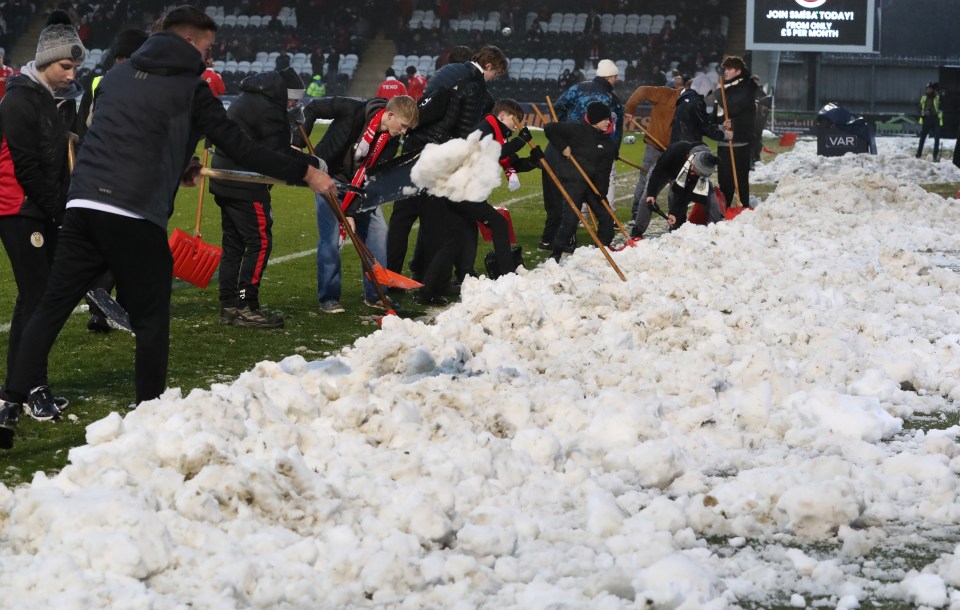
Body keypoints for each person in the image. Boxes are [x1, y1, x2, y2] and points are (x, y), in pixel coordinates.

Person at [0, 6, 336, 443]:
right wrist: (308, 172)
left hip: (82, 207)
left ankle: (8, 407)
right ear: (190, 41)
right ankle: (149, 420)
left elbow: (128, 138)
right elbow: (240, 147)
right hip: (133, 214)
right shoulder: (191, 89)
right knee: (152, 322)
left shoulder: (117, 77)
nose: (212, 59)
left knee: (49, 309)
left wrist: (180, 164)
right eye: (209, 48)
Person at [0, 24, 85, 426]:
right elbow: (28, 168)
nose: (72, 74)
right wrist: (59, 211)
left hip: (42, 207)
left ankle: (25, 386)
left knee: (37, 298)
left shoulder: (49, 97)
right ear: (48, 60)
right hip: (20, 210)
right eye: (66, 66)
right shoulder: (19, 100)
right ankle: (28, 389)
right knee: (37, 299)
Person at [387, 46, 506, 303]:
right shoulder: (476, 90)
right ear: (488, 66)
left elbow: (424, 110)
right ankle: (428, 284)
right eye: (495, 73)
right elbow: (464, 132)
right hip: (436, 160)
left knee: (402, 218)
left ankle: (391, 278)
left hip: (413, 152)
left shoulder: (448, 74)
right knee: (435, 225)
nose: (494, 79)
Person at [298, 94, 418, 313]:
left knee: (379, 232)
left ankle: (375, 294)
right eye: (403, 126)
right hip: (329, 178)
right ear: (390, 115)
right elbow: (313, 107)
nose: (404, 132)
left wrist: (351, 211)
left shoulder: (390, 141)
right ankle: (329, 297)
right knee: (331, 239)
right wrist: (297, 144)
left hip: (361, 188)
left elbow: (373, 176)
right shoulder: (351, 109)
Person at [210, 67, 307, 328]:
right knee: (259, 242)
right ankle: (246, 306)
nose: (294, 104)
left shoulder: (253, 97)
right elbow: (277, 155)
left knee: (233, 246)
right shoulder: (268, 108)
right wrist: (312, 165)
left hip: (224, 179)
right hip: (245, 183)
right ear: (284, 93)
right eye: (293, 99)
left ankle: (229, 306)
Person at [448, 99, 541, 286]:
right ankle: (505, 273)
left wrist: (533, 161)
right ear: (502, 116)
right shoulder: (483, 130)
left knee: (467, 228)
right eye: (513, 123)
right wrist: (520, 141)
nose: (515, 128)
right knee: (498, 223)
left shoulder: (499, 135)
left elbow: (511, 161)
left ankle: (464, 272)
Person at [541, 59, 623, 250]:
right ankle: (598, 229)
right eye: (616, 77)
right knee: (594, 187)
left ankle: (566, 235)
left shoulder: (577, 87)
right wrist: (612, 149)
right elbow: (615, 128)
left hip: (569, 143)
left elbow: (559, 106)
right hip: (593, 148)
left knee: (567, 192)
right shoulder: (612, 98)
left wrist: (567, 128)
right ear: (611, 77)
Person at [542, 101, 617, 263]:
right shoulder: (575, 129)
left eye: (609, 119)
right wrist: (563, 146)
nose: (608, 122)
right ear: (595, 118)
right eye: (605, 119)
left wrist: (601, 193)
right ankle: (555, 254)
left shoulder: (608, 145)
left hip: (592, 186)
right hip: (573, 182)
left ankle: (601, 250)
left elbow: (604, 172)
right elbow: (549, 128)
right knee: (571, 220)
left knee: (606, 217)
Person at [623, 75, 682, 233]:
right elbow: (642, 90)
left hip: (674, 149)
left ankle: (675, 218)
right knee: (646, 181)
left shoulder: (688, 102)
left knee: (675, 184)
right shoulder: (664, 93)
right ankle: (637, 214)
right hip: (655, 146)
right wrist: (629, 110)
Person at [643, 142, 722, 232]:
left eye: (699, 173)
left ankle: (717, 229)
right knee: (672, 195)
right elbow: (658, 172)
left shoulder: (703, 168)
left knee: (712, 201)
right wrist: (651, 193)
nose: (695, 173)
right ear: (691, 160)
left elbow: (686, 195)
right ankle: (677, 228)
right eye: (696, 171)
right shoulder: (676, 150)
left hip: (692, 179)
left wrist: (674, 213)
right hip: (670, 171)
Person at [714, 55, 757, 209]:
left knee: (740, 180)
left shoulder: (747, 86)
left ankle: (743, 208)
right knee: (724, 181)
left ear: (738, 71)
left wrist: (719, 93)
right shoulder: (724, 86)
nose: (725, 72)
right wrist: (720, 122)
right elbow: (718, 112)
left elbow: (733, 108)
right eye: (724, 68)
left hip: (740, 142)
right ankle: (723, 211)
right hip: (724, 142)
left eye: (729, 69)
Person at [917, 81, 943, 162]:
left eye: (930, 88)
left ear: (933, 89)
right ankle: (918, 155)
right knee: (922, 138)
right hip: (926, 120)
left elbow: (940, 107)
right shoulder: (924, 97)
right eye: (927, 88)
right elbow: (919, 107)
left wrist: (930, 111)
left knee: (937, 139)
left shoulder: (937, 97)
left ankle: (935, 156)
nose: (928, 90)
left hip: (935, 120)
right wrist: (922, 112)